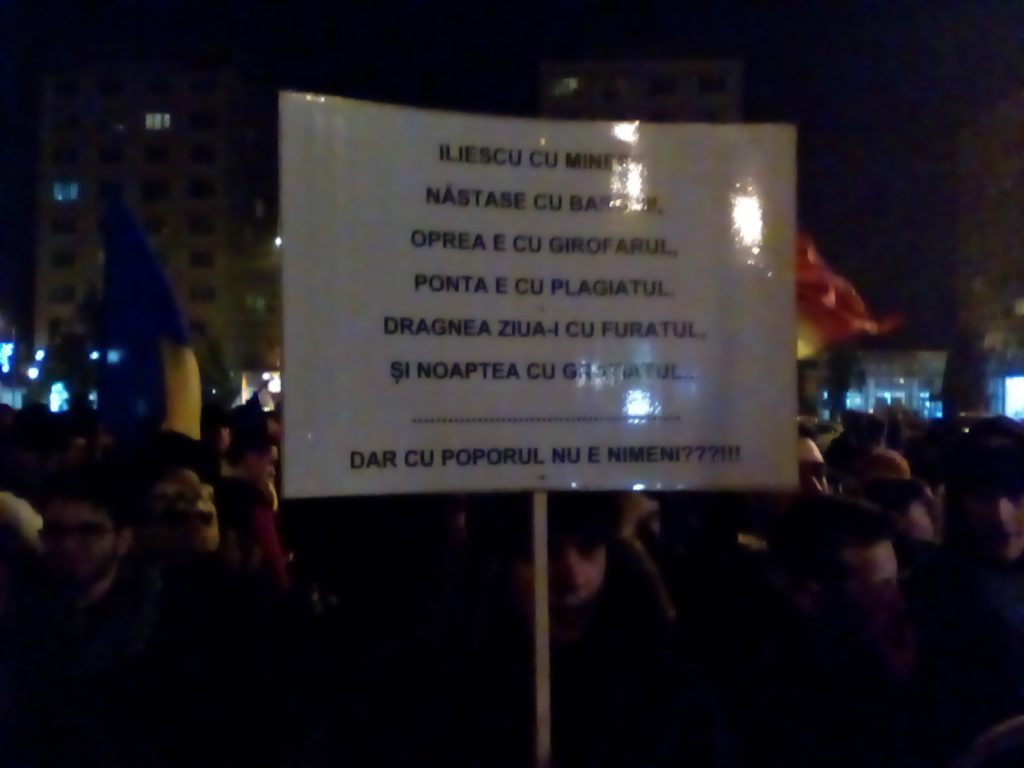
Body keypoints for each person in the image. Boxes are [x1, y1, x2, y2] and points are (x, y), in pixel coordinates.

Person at [462, 492, 732, 768]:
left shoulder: (660, 679)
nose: (573, 579)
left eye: (589, 547)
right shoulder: (465, 685)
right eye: (543, 552)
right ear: (499, 566)